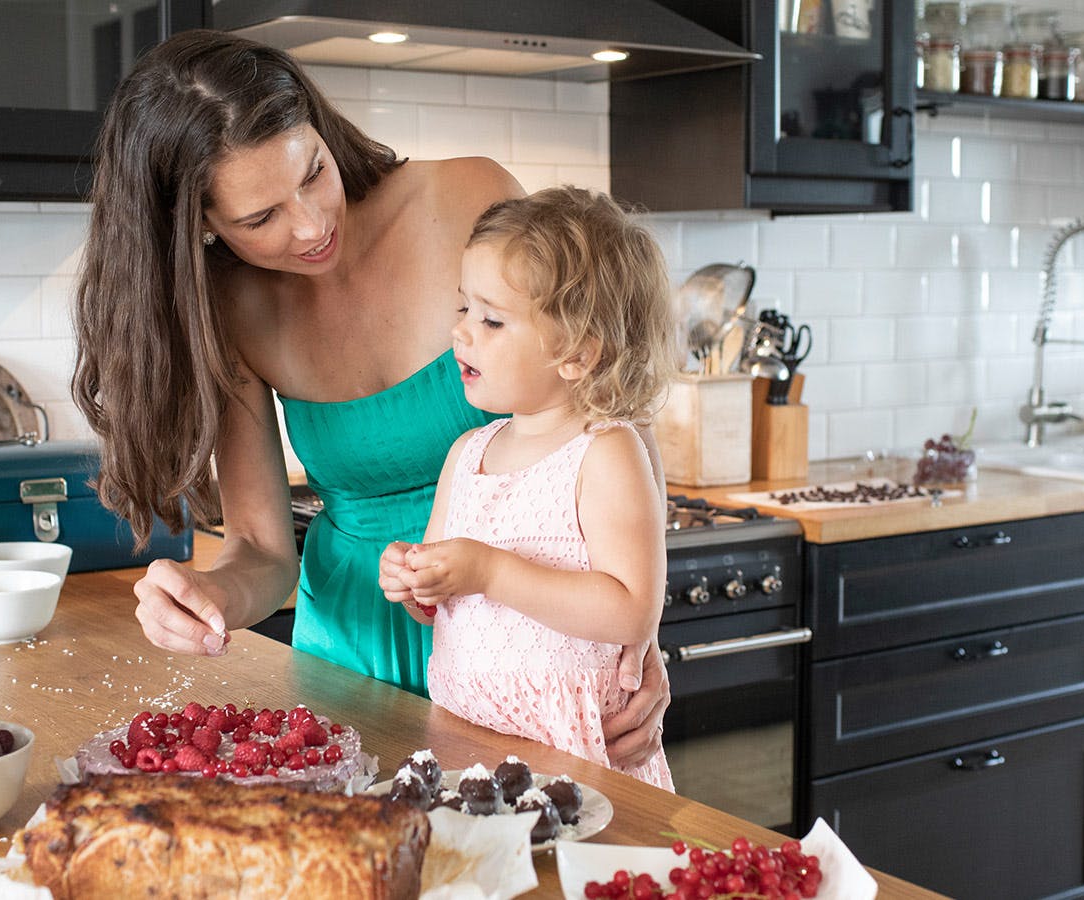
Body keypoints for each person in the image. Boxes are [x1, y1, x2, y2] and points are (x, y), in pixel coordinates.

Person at [68, 29, 669, 767]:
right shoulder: (226, 309)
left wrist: (639, 637)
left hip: (537, 647)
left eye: (313, 173)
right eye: (261, 218)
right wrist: (210, 596)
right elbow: (265, 552)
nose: (313, 224)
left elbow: (613, 413)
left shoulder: (468, 198)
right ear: (199, 225)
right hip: (351, 660)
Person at [379, 187, 675, 789]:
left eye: (491, 320)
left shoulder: (605, 452)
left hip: (576, 755)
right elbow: (441, 603)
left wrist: (490, 572)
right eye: (464, 308)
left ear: (577, 354)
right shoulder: (467, 454)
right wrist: (416, 582)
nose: (461, 331)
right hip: (465, 739)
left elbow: (631, 608)